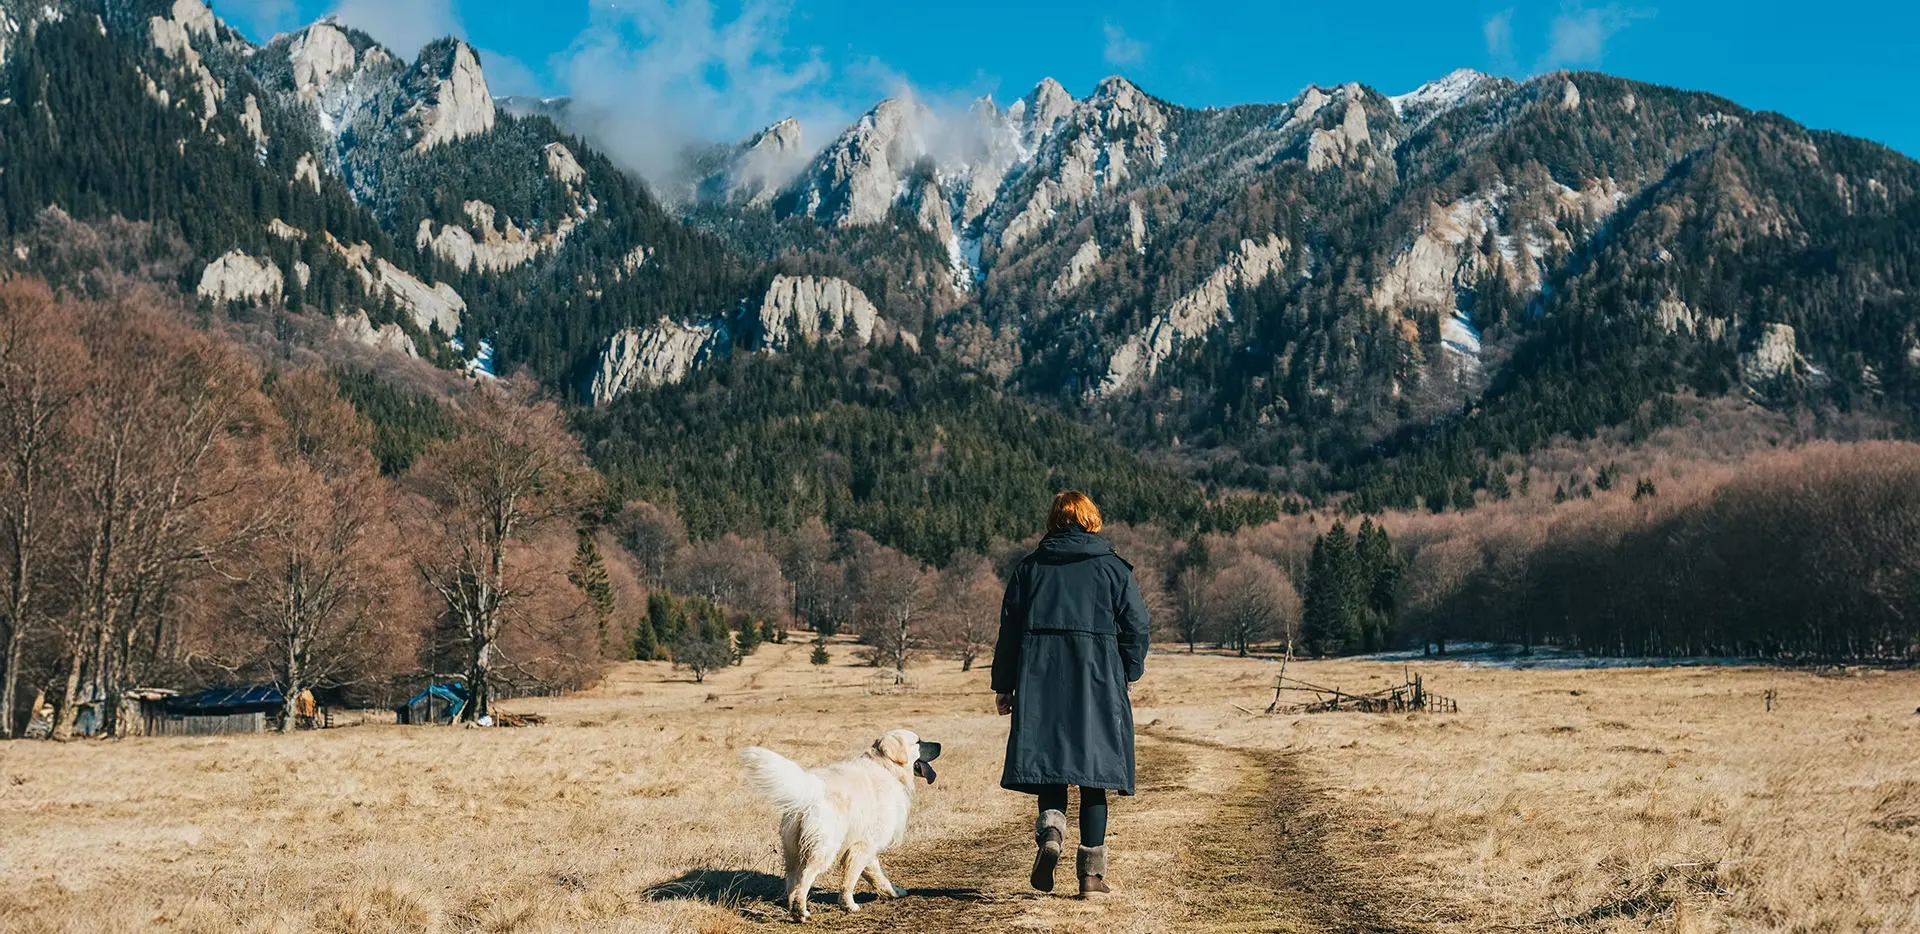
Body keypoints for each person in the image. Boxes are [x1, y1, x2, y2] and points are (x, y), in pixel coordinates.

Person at [991, 491, 1150, 898]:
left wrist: (1004, 685)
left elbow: (1009, 630)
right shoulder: (1113, 569)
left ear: (1055, 520)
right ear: (1091, 519)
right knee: (1094, 777)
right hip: (1097, 682)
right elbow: (1138, 627)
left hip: (1039, 680)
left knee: (1051, 766)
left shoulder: (1029, 569)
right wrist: (1128, 672)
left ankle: (1052, 834)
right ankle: (1092, 878)